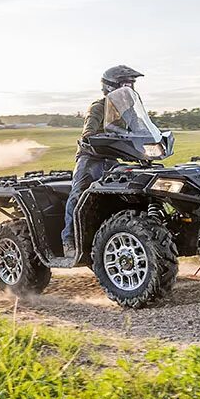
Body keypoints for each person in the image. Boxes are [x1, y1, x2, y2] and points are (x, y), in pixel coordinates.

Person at [61, 65, 144, 256]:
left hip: (113, 159)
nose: (130, 89)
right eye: (126, 84)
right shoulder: (98, 107)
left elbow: (140, 130)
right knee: (79, 193)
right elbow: (88, 133)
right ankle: (69, 239)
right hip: (91, 158)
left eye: (132, 85)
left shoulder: (128, 111)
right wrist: (99, 137)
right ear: (111, 87)